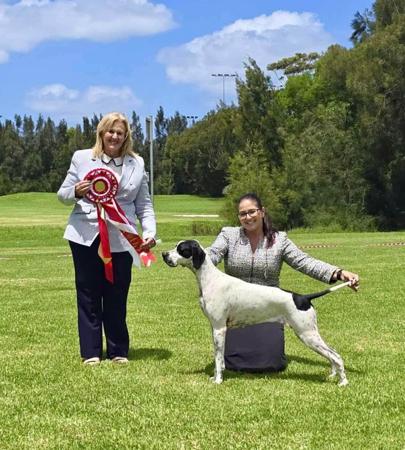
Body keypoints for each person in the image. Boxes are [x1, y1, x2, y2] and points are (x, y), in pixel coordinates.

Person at [208, 192, 359, 373]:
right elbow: (213, 253)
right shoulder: (229, 235)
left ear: (262, 212)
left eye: (252, 211)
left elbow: (304, 262)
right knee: (236, 363)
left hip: (269, 308)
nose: (247, 217)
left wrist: (338, 273)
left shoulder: (279, 240)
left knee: (270, 363)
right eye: (242, 214)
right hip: (238, 310)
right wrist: (198, 256)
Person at [57, 112, 156, 366]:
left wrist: (149, 233)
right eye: (110, 131)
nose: (114, 136)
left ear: (126, 137)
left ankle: (118, 350)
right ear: (101, 133)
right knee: (88, 292)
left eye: (120, 133)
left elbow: (144, 204)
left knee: (117, 293)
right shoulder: (82, 158)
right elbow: (62, 194)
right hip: (85, 235)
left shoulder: (137, 163)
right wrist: (76, 191)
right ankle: (91, 352)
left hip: (122, 237)